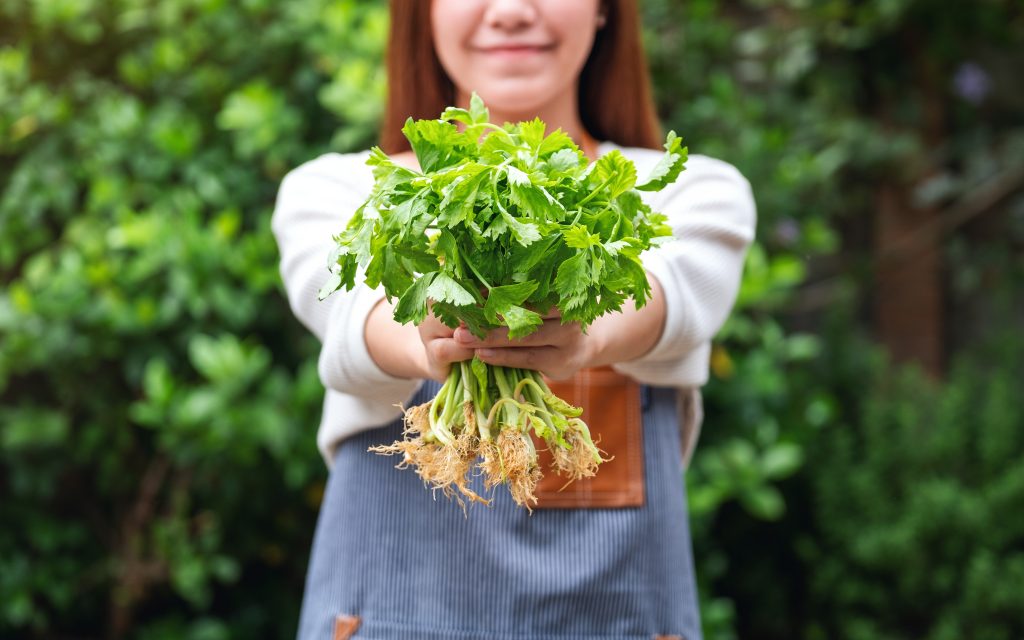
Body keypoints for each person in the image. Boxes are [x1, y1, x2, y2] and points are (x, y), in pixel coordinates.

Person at [272, 1, 756, 638]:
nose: (510, 11)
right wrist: (430, 343)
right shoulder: (344, 191)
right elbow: (349, 311)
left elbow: (673, 298)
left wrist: (582, 332)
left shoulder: (681, 191)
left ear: (606, 9)